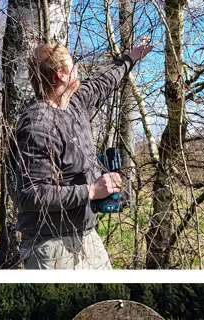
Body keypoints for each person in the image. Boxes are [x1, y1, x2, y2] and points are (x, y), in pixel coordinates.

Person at [11, 40, 152, 269]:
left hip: (86, 234)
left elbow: (101, 82)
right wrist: (92, 191)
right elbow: (31, 194)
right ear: (61, 74)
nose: (78, 69)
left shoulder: (74, 102)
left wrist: (131, 58)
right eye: (73, 65)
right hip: (50, 245)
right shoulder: (37, 124)